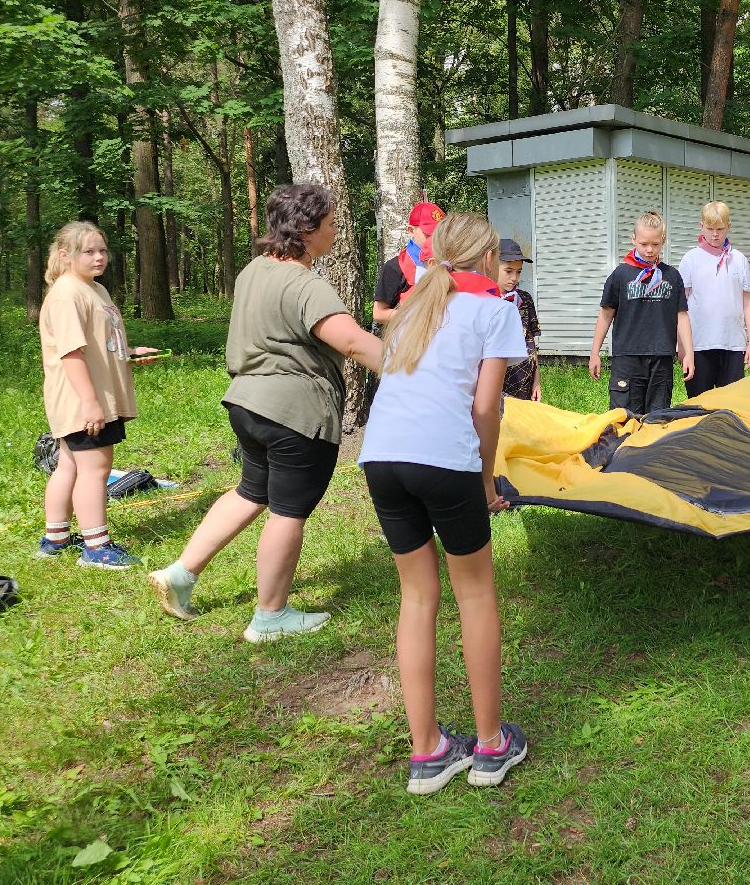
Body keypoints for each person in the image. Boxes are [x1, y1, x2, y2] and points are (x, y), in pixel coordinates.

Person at [148, 185, 383, 642]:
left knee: (250, 492)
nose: (335, 233)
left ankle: (181, 573)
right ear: (308, 229)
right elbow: (352, 341)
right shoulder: (304, 283)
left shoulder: (254, 270)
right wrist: (416, 368)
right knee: (287, 512)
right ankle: (270, 616)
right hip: (294, 413)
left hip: (247, 404)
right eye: (331, 224)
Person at [358, 213, 531, 794]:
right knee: (476, 593)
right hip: (444, 459)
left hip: (380, 457)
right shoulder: (496, 309)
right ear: (486, 259)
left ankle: (427, 751)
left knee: (417, 597)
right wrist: (486, 485)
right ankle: (489, 745)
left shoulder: (411, 306)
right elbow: (486, 409)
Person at [36, 222, 157, 569]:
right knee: (96, 468)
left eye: (102, 250)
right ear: (65, 255)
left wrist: (129, 352)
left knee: (70, 465)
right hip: (82, 397)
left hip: (89, 395)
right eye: (89, 251)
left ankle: (56, 539)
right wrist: (90, 402)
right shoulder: (67, 293)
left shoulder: (93, 289)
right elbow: (71, 353)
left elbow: (96, 342)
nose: (99, 257)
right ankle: (96, 547)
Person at [589, 211, 695, 413]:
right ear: (634, 239)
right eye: (644, 244)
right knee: (625, 417)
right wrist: (595, 353)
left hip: (661, 358)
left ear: (662, 241)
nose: (649, 250)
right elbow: (606, 314)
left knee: (656, 417)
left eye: (655, 244)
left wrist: (688, 352)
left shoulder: (672, 276)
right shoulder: (620, 275)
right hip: (627, 358)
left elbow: (681, 316)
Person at [678, 201, 750, 396]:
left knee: (730, 405)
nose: (715, 234)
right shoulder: (691, 259)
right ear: (701, 227)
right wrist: (682, 346)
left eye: (720, 229)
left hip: (733, 343)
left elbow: (748, 303)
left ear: (728, 227)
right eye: (710, 229)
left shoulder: (738, 259)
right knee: (698, 403)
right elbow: (681, 308)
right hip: (699, 343)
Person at [373, 201, 446, 326]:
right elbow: (378, 313)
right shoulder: (395, 267)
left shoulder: (449, 261)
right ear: (411, 230)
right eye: (429, 234)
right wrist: (415, 315)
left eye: (440, 233)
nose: (435, 239)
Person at [497, 238, 542, 401]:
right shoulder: (486, 301)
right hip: (499, 383)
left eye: (519, 271)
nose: (514, 277)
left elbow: (530, 340)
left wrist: (537, 380)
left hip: (525, 383)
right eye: (508, 271)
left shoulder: (524, 299)